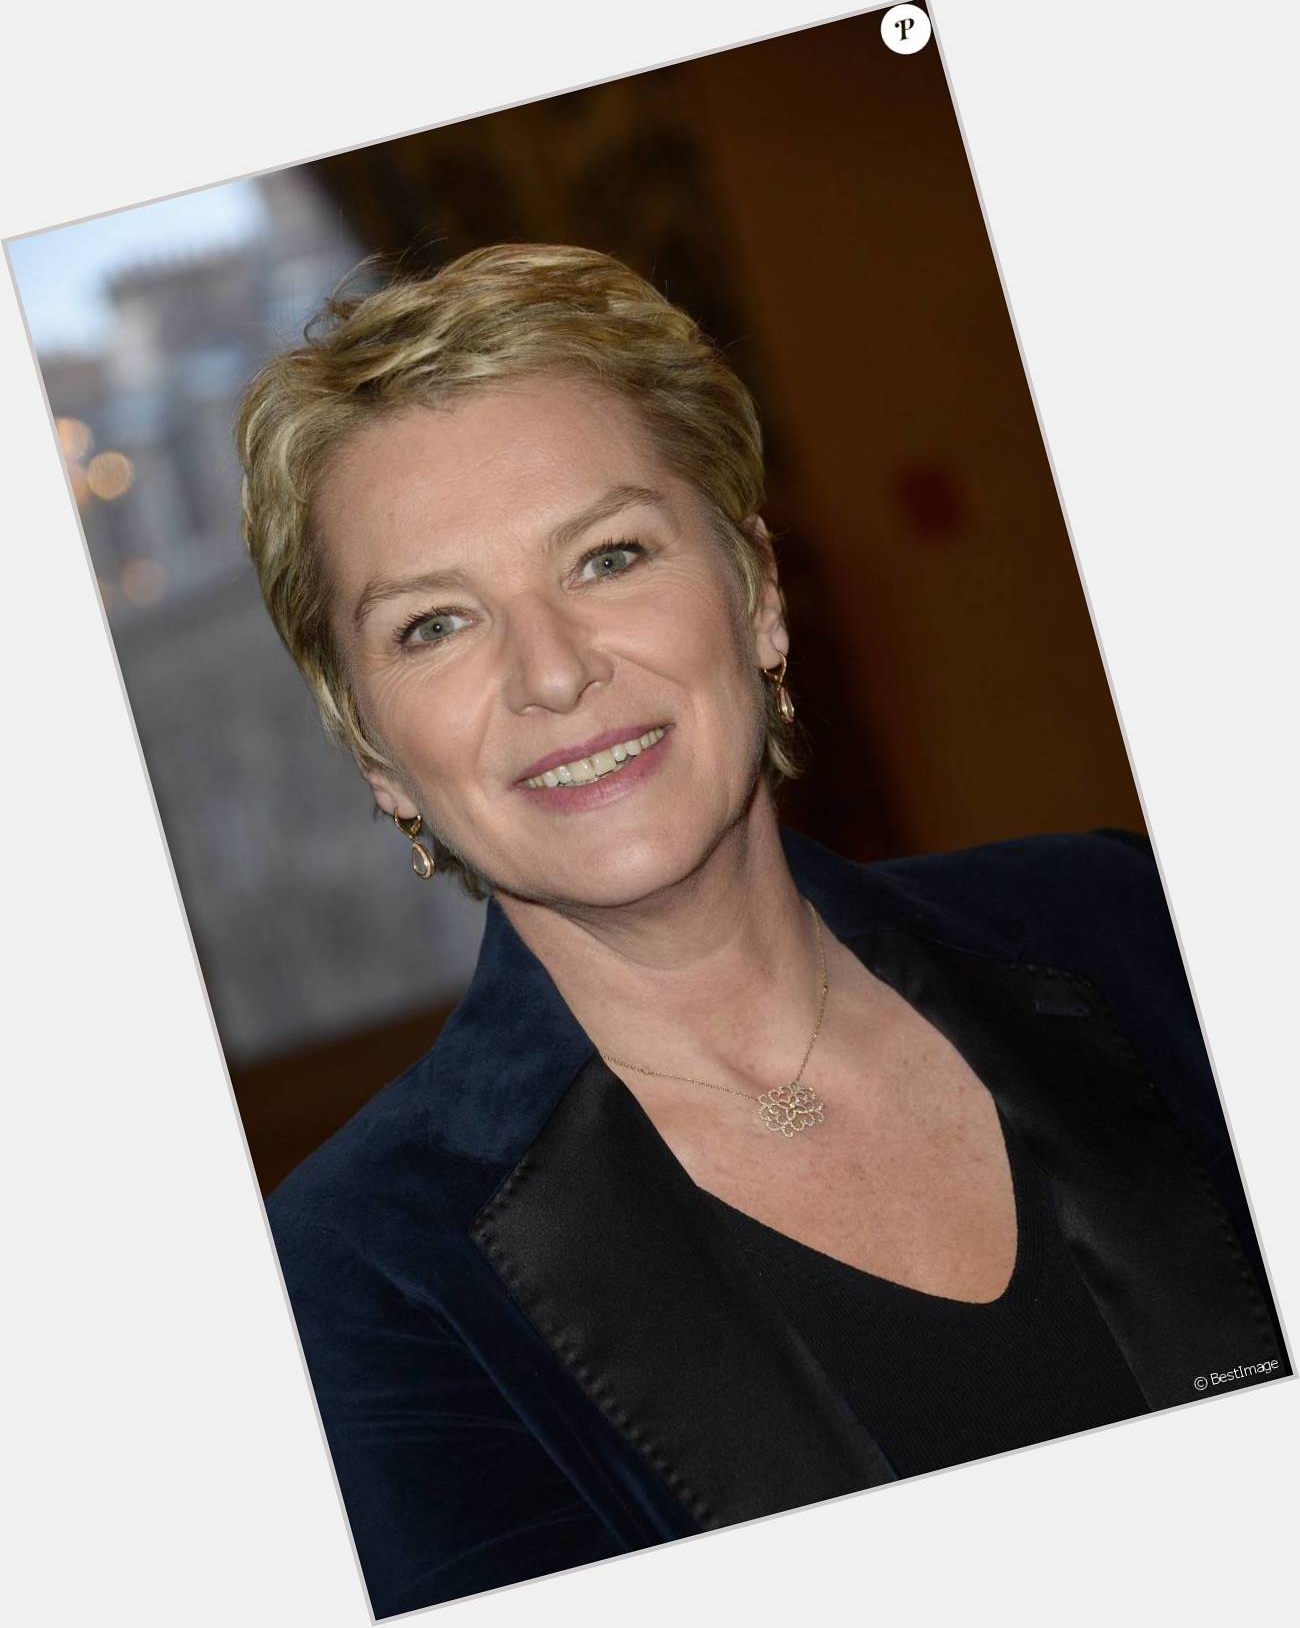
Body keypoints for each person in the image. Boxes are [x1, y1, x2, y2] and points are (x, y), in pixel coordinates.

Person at [237, 242, 1288, 1618]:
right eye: (435, 624)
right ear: (375, 751)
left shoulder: (1133, 920)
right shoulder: (351, 1284)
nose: (553, 671)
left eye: (609, 555)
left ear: (759, 595)